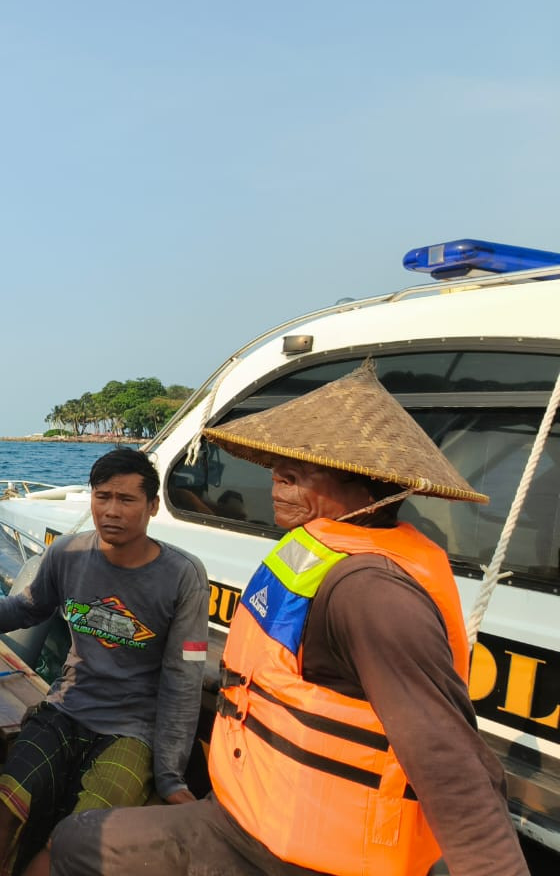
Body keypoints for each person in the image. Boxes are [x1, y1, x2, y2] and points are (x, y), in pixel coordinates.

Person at [50, 361, 529, 876]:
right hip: (249, 811)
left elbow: (449, 758)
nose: (277, 479)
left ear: (369, 484)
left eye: (301, 470)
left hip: (313, 851)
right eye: (279, 466)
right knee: (77, 840)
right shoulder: (313, 549)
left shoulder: (371, 593)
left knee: (80, 844)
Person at [0, 448, 209, 876]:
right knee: (6, 809)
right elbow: (23, 610)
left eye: (126, 500)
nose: (111, 511)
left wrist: (169, 777)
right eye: (102, 496)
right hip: (67, 709)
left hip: (131, 728)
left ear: (153, 506)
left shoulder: (184, 575)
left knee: (74, 840)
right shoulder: (67, 554)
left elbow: (184, 678)